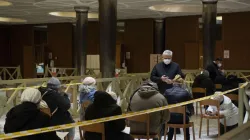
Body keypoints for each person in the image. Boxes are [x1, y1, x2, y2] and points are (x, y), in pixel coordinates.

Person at [164, 75, 194, 140]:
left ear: (173, 82)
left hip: (169, 118)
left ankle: (169, 138)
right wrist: (190, 114)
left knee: (172, 117)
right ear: (182, 84)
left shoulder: (167, 92)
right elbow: (190, 107)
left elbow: (164, 105)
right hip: (182, 119)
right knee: (185, 120)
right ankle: (187, 138)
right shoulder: (186, 93)